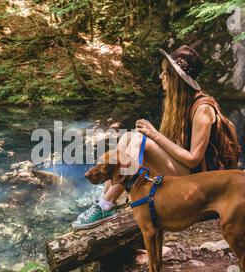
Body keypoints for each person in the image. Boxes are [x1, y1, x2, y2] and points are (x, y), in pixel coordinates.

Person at [72, 45, 218, 230]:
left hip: (199, 182)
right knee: (130, 137)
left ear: (177, 78)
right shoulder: (180, 104)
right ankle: (105, 201)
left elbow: (193, 160)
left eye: (165, 72)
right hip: (182, 172)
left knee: (140, 140)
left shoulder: (202, 109)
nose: (160, 76)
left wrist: (154, 135)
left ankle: (106, 204)